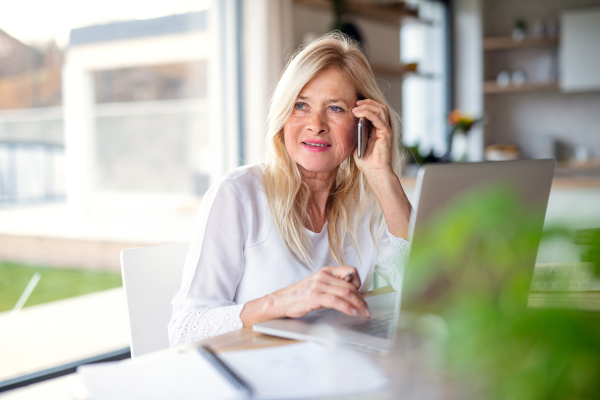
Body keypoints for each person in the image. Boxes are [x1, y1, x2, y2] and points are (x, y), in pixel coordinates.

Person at [168, 33, 412, 347]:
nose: (315, 124)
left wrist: (382, 176)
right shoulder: (238, 194)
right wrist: (283, 301)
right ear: (283, 116)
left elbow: (420, 284)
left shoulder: (369, 202)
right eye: (300, 105)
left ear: (362, 123)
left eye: (335, 109)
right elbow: (185, 330)